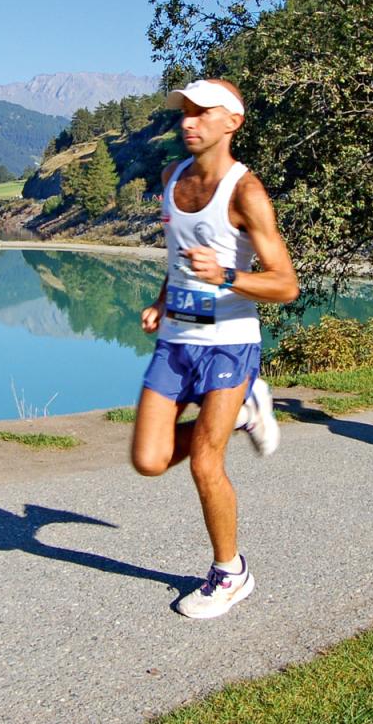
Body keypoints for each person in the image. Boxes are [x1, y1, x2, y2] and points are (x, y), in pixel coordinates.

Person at [130, 77, 299, 619]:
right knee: (149, 460)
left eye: (202, 113)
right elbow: (179, 255)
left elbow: (286, 285)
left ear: (232, 122)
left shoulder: (246, 193)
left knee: (206, 462)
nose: (188, 121)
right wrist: (161, 300)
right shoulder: (170, 177)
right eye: (184, 111)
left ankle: (230, 572)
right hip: (176, 339)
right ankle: (248, 413)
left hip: (228, 342)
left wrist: (227, 275)